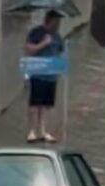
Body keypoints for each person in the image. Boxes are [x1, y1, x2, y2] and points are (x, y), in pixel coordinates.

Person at [25, 10, 65, 143]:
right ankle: (31, 131)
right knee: (35, 103)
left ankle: (42, 131)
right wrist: (44, 43)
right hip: (38, 72)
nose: (58, 24)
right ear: (49, 20)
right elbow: (29, 49)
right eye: (56, 21)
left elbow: (59, 51)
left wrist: (59, 68)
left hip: (51, 74)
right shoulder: (36, 32)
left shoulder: (58, 36)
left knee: (46, 104)